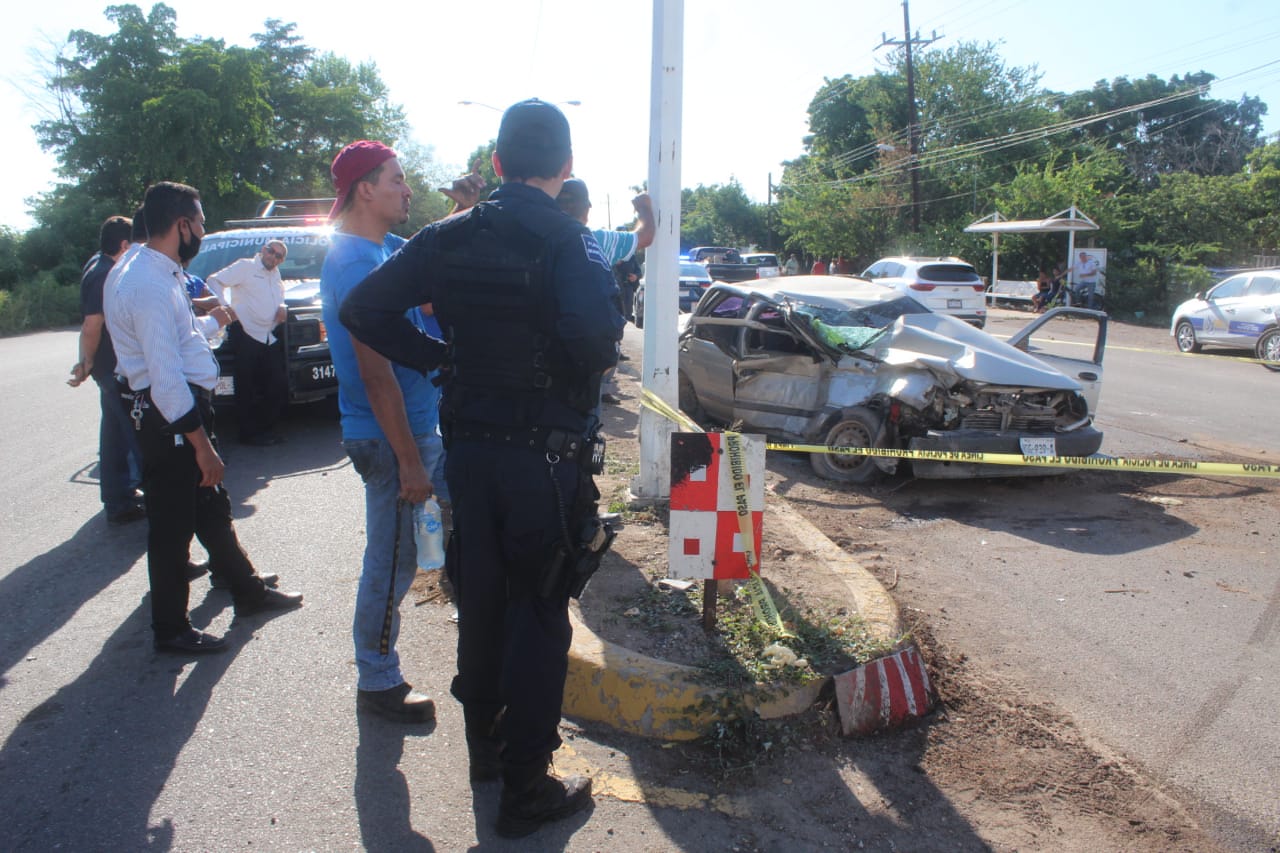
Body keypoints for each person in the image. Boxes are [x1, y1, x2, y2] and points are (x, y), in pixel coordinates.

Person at [340, 99, 621, 838]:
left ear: (497, 164)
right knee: (538, 614)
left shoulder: (446, 235)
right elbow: (598, 340)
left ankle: (486, 756)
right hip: (543, 464)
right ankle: (526, 787)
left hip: (470, 455)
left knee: (484, 603)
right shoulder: (571, 240)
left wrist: (444, 360)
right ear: (566, 165)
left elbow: (364, 310)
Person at [319, 139, 483, 723]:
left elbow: (433, 249)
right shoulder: (354, 264)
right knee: (392, 561)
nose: (408, 189)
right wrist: (409, 460)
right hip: (390, 440)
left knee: (440, 539)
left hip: (416, 430)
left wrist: (473, 210)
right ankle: (377, 680)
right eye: (396, 179)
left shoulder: (382, 248)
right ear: (365, 189)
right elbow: (375, 374)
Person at [104, 181, 302, 655]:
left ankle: (246, 589)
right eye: (201, 223)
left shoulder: (147, 267)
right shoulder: (148, 283)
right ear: (182, 225)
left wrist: (214, 323)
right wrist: (202, 445)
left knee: (209, 505)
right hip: (170, 416)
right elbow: (165, 378)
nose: (202, 231)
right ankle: (170, 628)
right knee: (173, 524)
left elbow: (177, 335)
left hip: (172, 408)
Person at [68, 215, 145, 526]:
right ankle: (151, 499)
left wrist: (87, 362)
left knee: (114, 437)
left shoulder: (97, 263)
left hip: (107, 367)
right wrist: (85, 362)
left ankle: (118, 499)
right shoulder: (105, 273)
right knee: (136, 434)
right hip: (112, 368)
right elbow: (92, 324)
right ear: (124, 245)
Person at [556, 177, 653, 403]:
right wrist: (643, 209)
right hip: (581, 351)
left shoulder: (533, 234)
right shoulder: (595, 240)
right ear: (587, 208)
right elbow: (645, 236)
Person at [206, 240, 289, 446]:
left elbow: (278, 295)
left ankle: (266, 429)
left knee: (276, 383)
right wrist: (225, 307)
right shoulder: (246, 266)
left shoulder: (275, 273)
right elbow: (214, 280)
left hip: (268, 335)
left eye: (279, 255)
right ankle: (248, 434)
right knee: (246, 386)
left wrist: (282, 306)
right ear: (263, 250)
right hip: (246, 333)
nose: (273, 256)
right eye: (271, 251)